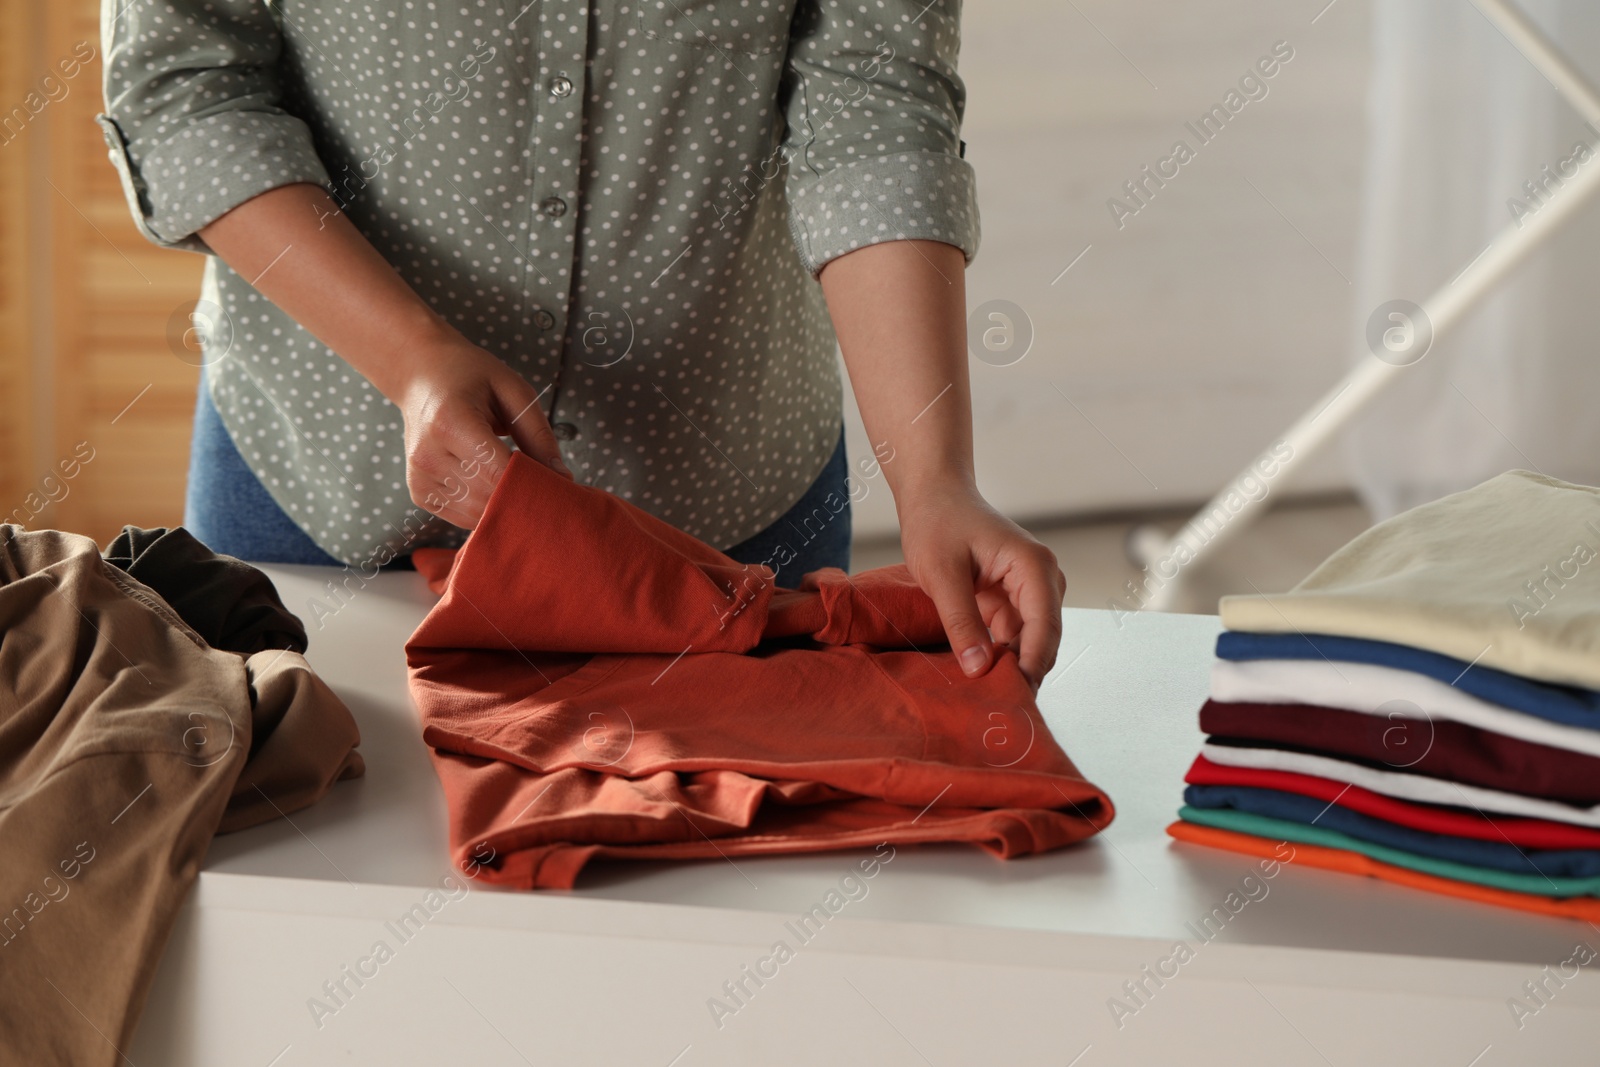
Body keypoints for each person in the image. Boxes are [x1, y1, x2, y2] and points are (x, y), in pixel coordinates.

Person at [99, 0, 1064, 686]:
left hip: (729, 486)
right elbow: (184, 82)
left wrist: (934, 476)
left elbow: (874, 105)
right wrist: (407, 357)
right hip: (322, 470)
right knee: (293, 914)